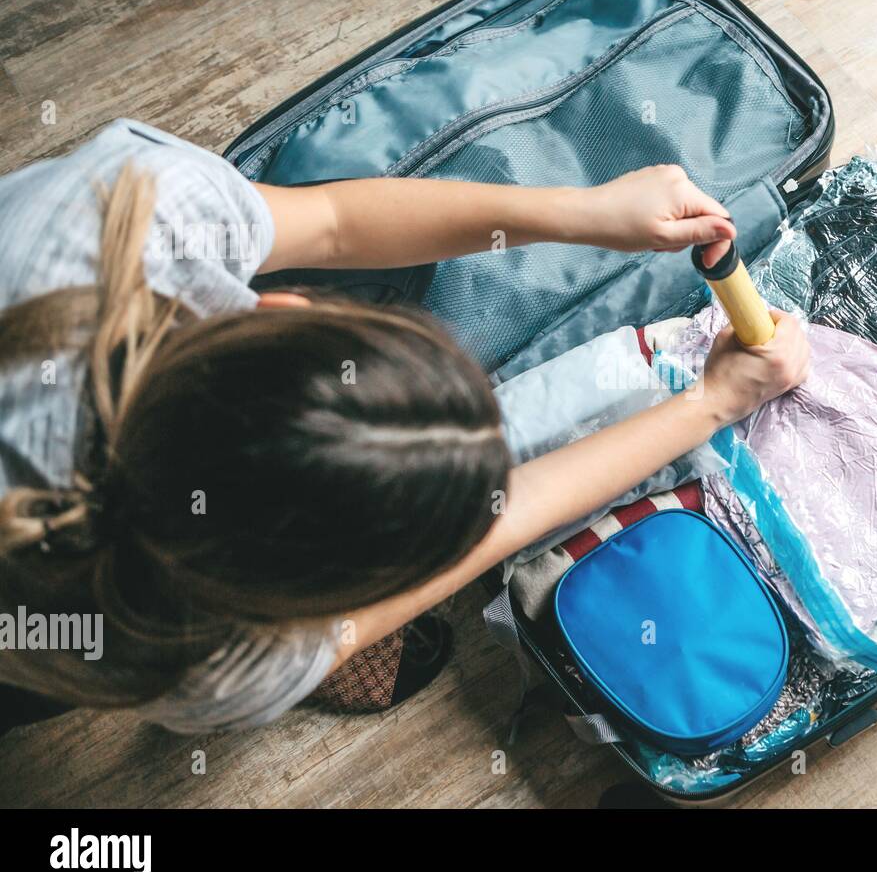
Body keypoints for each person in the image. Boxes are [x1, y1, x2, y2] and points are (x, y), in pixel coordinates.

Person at [0, 120, 809, 733]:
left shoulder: (123, 215)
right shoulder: (218, 671)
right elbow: (498, 527)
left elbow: (328, 223)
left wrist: (584, 212)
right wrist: (710, 405)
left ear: (287, 308)